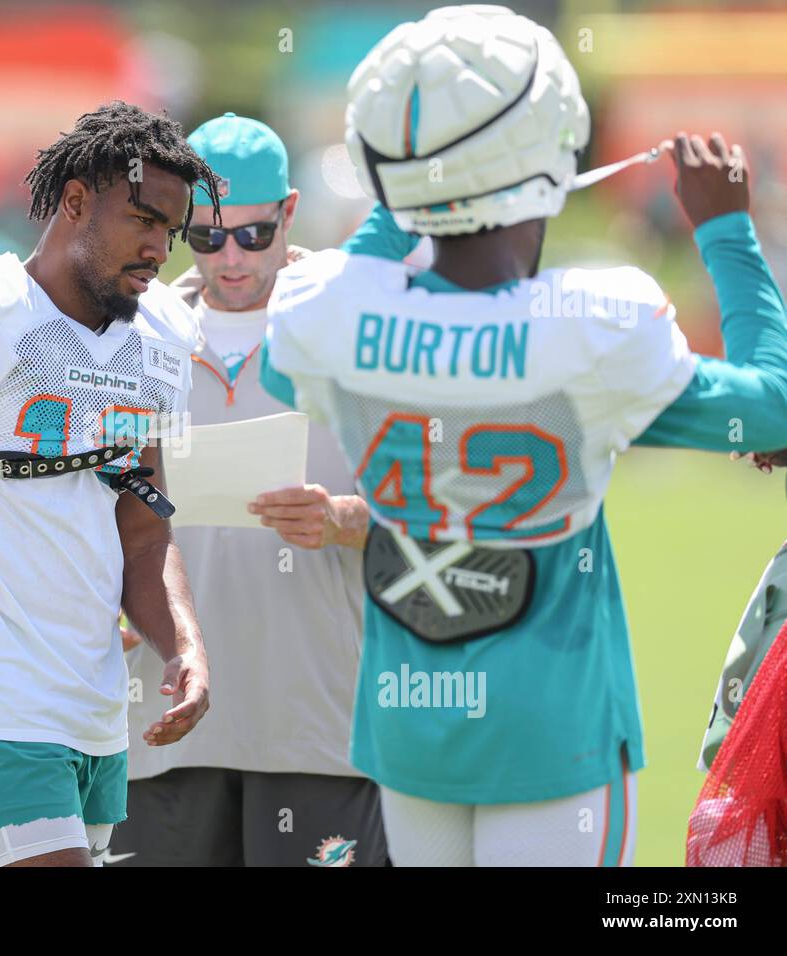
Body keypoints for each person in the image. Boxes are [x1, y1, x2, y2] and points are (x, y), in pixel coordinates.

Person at [262, 4, 787, 865]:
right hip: (553, 735)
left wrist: (416, 178)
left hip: (410, 721)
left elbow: (319, 333)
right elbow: (772, 407)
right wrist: (727, 229)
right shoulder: (592, 328)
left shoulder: (330, 315)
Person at [0, 101, 216, 867]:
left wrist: (184, 645)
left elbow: (143, 524)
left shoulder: (162, 340)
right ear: (75, 200)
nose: (157, 248)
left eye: (169, 231)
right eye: (141, 219)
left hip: (94, 711)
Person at [114, 113, 386, 867]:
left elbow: (428, 509)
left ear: (289, 213)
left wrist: (341, 518)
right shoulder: (134, 334)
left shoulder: (355, 323)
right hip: (166, 724)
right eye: (204, 236)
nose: (229, 258)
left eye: (253, 235)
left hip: (318, 726)